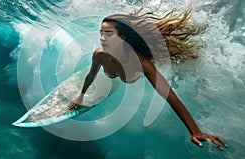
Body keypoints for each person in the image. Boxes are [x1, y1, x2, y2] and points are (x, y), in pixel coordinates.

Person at [68, 9, 228, 151]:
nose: (102, 38)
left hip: (131, 75)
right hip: (111, 70)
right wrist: (81, 95)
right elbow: (91, 74)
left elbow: (169, 95)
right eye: (101, 33)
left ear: (122, 37)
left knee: (121, 76)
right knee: (108, 73)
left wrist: (195, 131)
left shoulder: (141, 62)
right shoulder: (99, 54)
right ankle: (111, 76)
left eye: (108, 34)